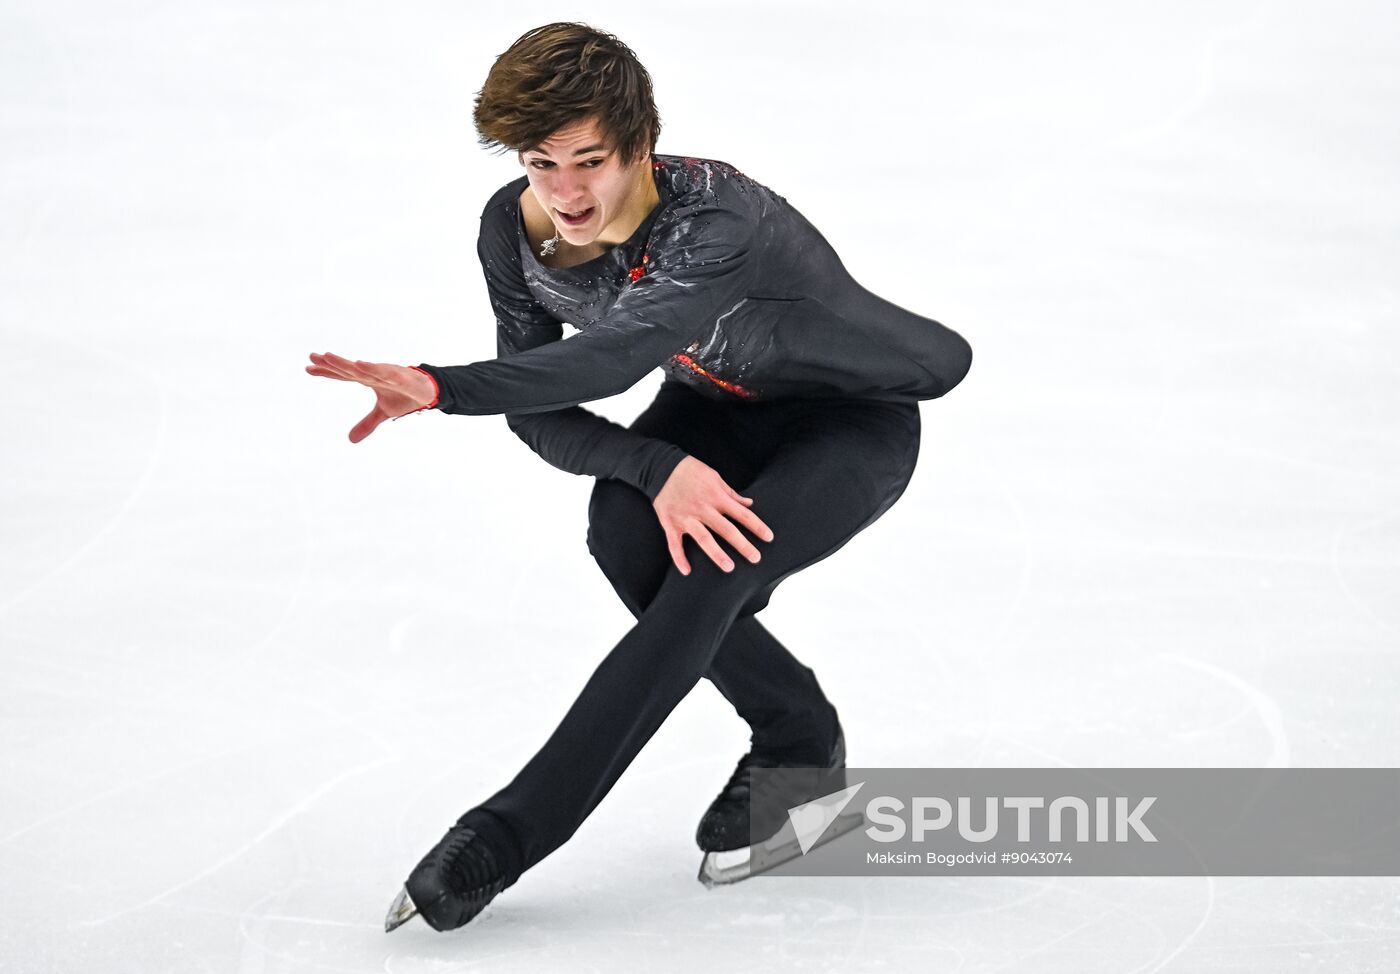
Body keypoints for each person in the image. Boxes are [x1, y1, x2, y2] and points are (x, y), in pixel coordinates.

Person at [305, 21, 972, 933]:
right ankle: (800, 736)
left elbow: (611, 361)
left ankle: (506, 835)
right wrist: (656, 467)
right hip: (710, 410)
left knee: (710, 567)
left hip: (847, 419)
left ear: (640, 144)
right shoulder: (513, 226)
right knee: (623, 531)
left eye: (588, 160)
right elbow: (537, 407)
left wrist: (438, 387)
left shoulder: (713, 218)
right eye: (541, 162)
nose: (565, 192)